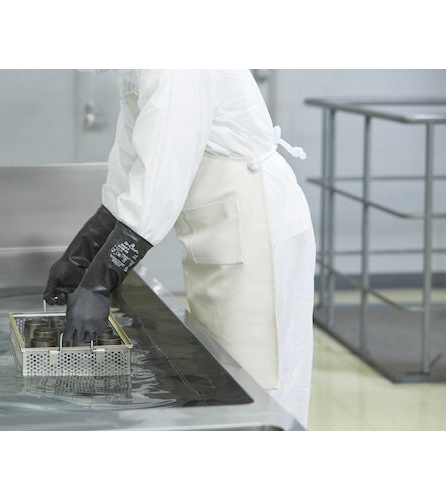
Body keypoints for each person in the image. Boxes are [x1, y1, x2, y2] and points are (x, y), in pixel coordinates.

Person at [44, 69, 316, 428]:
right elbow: (131, 168)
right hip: (222, 232)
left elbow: (159, 183)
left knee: (256, 379)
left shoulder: (174, 66)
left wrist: (98, 282)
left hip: (256, 228)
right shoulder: (136, 69)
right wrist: (81, 255)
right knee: (224, 365)